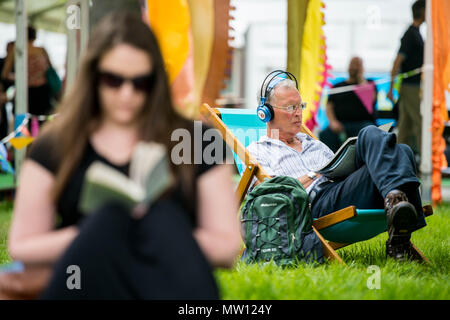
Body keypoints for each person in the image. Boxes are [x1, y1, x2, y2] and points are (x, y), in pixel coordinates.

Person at [0, 12, 241, 299]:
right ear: (93, 78)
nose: (127, 94)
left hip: (170, 280)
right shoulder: (57, 144)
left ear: (156, 81)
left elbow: (227, 247)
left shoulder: (199, 140)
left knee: (162, 217)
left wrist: (150, 233)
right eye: (113, 81)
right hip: (90, 279)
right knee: (108, 219)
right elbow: (23, 245)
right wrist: (97, 233)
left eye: (140, 83)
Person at [247, 72, 427, 261]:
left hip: (342, 191)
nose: (299, 113)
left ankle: (395, 204)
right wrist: (315, 174)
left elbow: (339, 169)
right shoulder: (258, 151)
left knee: (394, 146)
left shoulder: (313, 143)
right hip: (314, 205)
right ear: (266, 112)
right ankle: (401, 230)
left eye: (300, 106)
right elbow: (268, 195)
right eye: (290, 107)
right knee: (395, 149)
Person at [387, 0, 425, 159]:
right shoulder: (410, 35)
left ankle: (399, 162)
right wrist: (390, 88)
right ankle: (426, 162)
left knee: (405, 127)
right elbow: (397, 62)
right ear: (422, 11)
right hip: (410, 87)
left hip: (412, 86)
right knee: (419, 124)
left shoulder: (415, 33)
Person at [320, 57, 377, 152]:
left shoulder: (369, 84)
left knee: (369, 131)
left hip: (363, 123)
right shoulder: (338, 86)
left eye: (358, 65)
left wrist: (361, 81)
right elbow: (329, 106)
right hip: (341, 124)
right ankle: (331, 160)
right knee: (325, 134)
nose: (355, 68)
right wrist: (333, 122)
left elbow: (371, 102)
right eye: (353, 64)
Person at [1, 27, 55, 121]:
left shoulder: (16, 50)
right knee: (42, 121)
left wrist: (21, 78)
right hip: (42, 92)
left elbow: (5, 74)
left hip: (24, 91)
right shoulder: (41, 50)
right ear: (35, 37)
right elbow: (51, 69)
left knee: (24, 123)